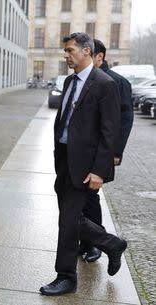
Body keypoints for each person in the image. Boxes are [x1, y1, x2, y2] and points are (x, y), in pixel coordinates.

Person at [40, 33, 127, 296]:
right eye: (65, 51)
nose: (65, 55)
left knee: (67, 222)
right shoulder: (68, 82)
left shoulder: (104, 84)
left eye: (70, 51)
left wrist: (99, 170)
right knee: (71, 219)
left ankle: (66, 276)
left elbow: (109, 132)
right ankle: (112, 244)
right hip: (65, 160)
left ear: (87, 51)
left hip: (86, 165)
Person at [78, 39, 134, 263]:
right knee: (83, 198)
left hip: (102, 151)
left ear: (99, 57)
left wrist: (116, 152)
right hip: (84, 150)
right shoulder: (86, 79)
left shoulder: (117, 82)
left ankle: (97, 244)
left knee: (90, 197)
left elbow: (124, 120)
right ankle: (90, 242)